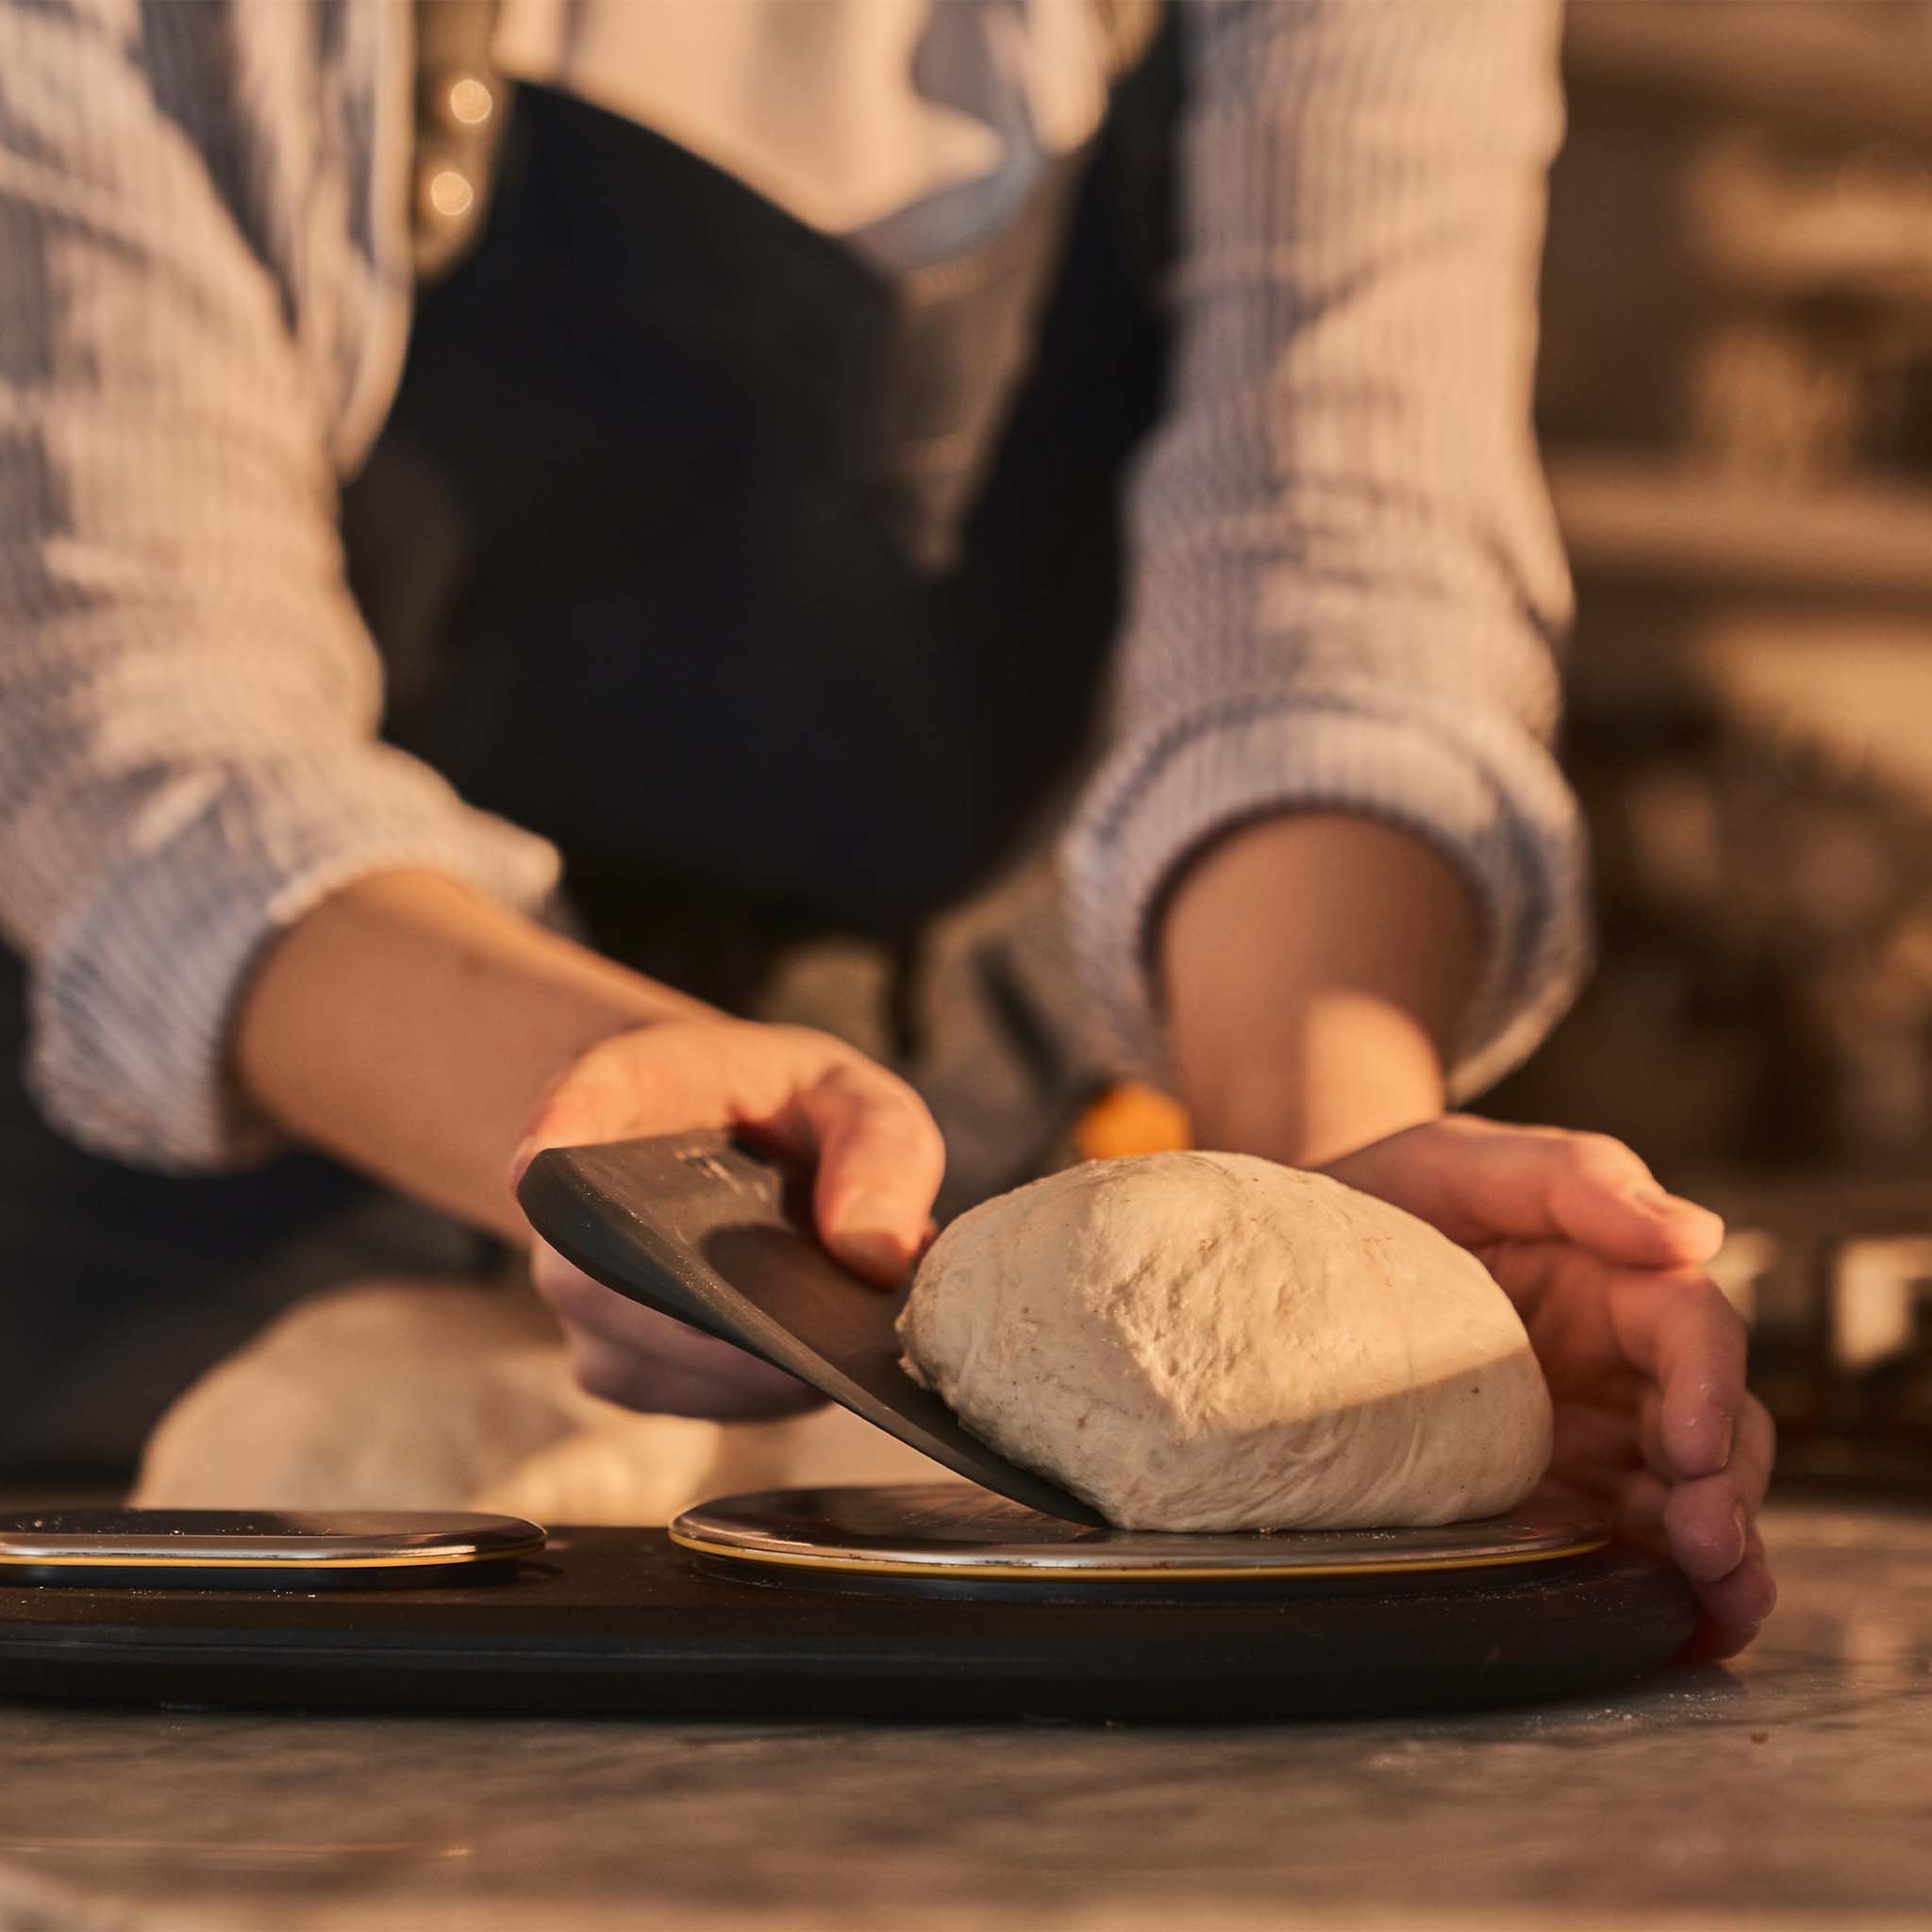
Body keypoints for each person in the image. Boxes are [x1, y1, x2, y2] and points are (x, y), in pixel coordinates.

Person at [0, 0, 1773, 1651]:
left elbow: (1338, 589)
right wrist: (641, 1162)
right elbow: (122, 710)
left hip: (926, 1357)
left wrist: (1333, 1216)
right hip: (225, 1283)